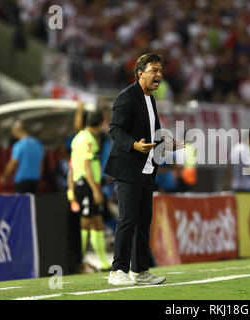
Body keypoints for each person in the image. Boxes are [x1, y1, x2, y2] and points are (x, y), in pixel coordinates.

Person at [104, 52, 183, 285]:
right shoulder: (126, 97)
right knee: (127, 219)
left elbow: (152, 134)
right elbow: (115, 130)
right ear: (140, 74)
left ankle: (139, 271)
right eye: (154, 70)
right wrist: (134, 144)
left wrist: (166, 143)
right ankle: (117, 270)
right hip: (128, 167)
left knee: (143, 220)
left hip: (147, 169)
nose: (158, 75)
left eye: (160, 70)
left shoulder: (150, 99)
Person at [68, 111, 111, 272]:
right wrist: (96, 190)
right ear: (100, 125)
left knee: (96, 222)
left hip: (81, 185)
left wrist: (71, 187)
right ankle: (82, 260)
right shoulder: (88, 140)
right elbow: (86, 166)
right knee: (86, 222)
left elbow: (72, 166)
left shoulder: (78, 137)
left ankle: (102, 262)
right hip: (87, 185)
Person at [0, 120, 44, 193]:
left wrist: (5, 176)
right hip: (35, 179)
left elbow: (13, 163)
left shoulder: (19, 145)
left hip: (22, 180)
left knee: (22, 203)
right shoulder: (38, 144)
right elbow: (41, 165)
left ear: (16, 131)